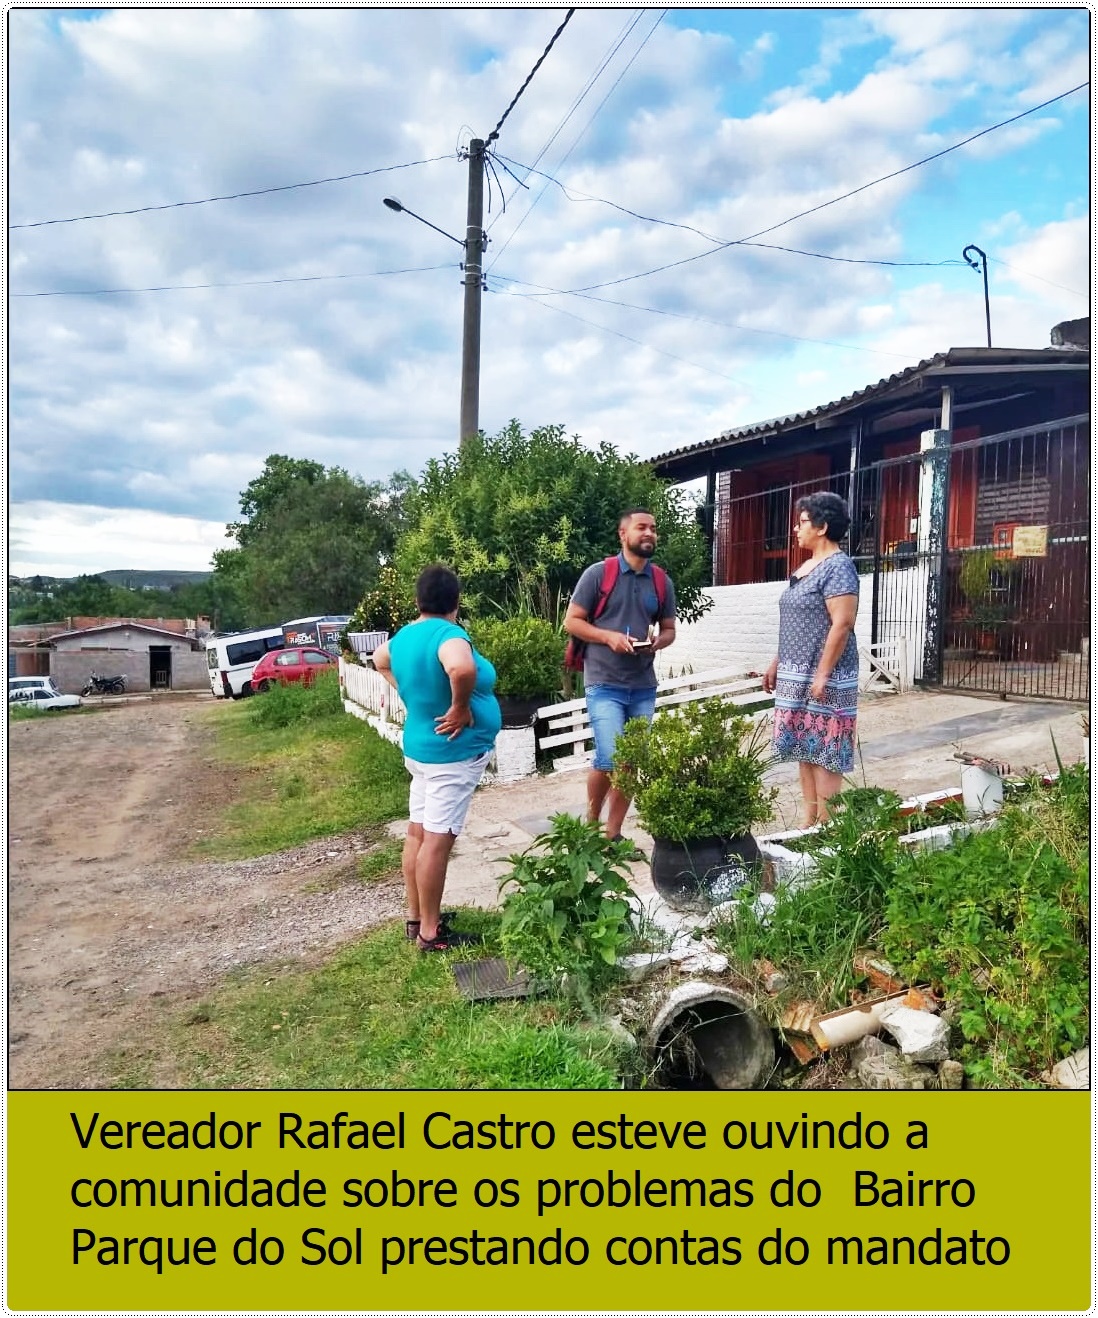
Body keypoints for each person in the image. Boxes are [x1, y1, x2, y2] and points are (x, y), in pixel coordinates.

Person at [371, 564, 502, 953]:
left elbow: (379, 660)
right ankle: (431, 933)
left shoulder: (403, 637)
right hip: (451, 755)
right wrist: (460, 707)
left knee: (417, 832)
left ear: (418, 601)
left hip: (422, 750)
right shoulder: (449, 634)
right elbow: (461, 666)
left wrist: (415, 698)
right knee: (437, 841)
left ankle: (416, 918)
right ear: (456, 601)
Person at [564, 508, 677, 845]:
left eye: (654, 529)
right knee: (611, 756)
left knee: (629, 762)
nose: (649, 534)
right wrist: (609, 637)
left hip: (643, 685)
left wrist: (658, 642)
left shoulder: (660, 581)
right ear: (623, 534)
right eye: (642, 527)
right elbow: (572, 622)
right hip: (604, 681)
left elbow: (670, 629)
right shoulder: (599, 575)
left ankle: (611, 835)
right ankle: (591, 820)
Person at [762, 491, 859, 828]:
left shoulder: (838, 566)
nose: (796, 528)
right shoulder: (805, 568)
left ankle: (827, 824)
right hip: (795, 670)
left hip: (826, 673)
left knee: (826, 749)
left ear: (822, 527)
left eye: (802, 521)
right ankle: (809, 822)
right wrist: (777, 661)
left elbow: (842, 622)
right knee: (804, 746)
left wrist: (822, 674)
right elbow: (797, 621)